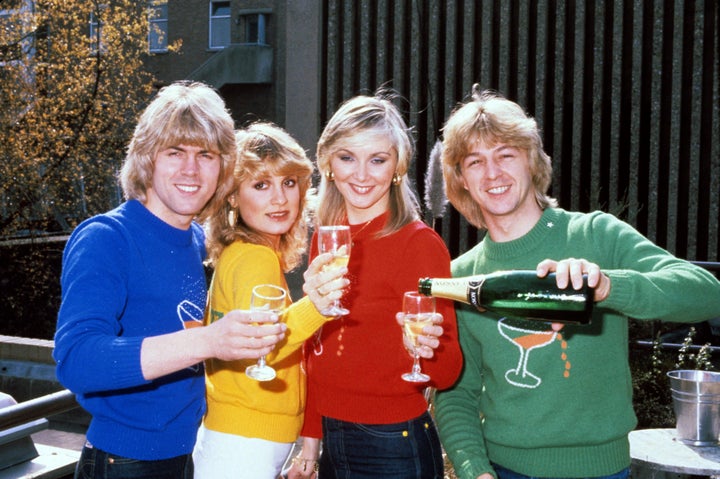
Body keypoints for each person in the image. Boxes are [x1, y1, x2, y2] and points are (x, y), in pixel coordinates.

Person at [433, 85, 720, 479]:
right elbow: (456, 394)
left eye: (506, 155)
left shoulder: (596, 234)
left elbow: (706, 293)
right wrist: (474, 470)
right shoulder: (461, 275)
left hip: (602, 470)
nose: (493, 173)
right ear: (461, 178)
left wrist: (607, 287)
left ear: (531, 161)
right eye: (475, 161)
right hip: (504, 470)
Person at [53, 81, 287, 479]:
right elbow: (77, 360)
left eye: (206, 155)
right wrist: (209, 341)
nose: (190, 170)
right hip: (123, 463)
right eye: (174, 152)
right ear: (147, 159)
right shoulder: (107, 238)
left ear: (223, 167)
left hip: (191, 455)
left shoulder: (199, 241)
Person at [286, 92, 464, 479]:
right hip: (334, 437)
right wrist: (311, 437)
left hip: (392, 445)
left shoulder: (419, 244)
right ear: (328, 163)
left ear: (398, 167)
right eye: (347, 157)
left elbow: (448, 372)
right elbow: (319, 349)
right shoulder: (328, 239)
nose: (361, 174)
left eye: (377, 160)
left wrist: (428, 346)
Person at [192, 122, 349, 479]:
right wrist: (317, 306)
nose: (279, 198)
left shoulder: (244, 251)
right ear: (232, 195)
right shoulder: (255, 258)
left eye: (288, 183)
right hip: (245, 441)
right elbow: (263, 342)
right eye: (261, 185)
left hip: (237, 437)